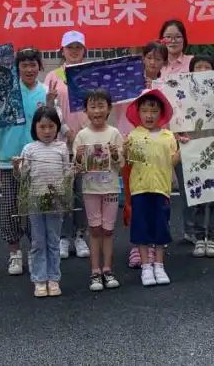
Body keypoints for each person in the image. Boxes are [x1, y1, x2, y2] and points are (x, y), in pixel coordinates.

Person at [0, 48, 50, 275]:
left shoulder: (46, 92)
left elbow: (53, 125)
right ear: (17, 68)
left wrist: (51, 104)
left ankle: (35, 250)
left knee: (35, 208)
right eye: (24, 65)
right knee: (10, 207)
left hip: (37, 160)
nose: (29, 69)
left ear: (40, 67)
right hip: (9, 158)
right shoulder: (5, 92)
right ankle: (14, 253)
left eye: (33, 65)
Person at [43, 29, 91, 261]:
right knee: (62, 192)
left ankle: (80, 235)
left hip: (86, 143)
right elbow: (48, 109)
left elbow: (99, 105)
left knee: (83, 191)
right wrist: (65, 131)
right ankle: (62, 237)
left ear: (84, 50)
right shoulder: (53, 76)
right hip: (61, 144)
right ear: (62, 50)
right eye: (69, 47)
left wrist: (85, 134)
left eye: (78, 47)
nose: (73, 51)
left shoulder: (90, 74)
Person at [124, 88, 179, 287]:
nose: (149, 115)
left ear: (161, 113)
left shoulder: (168, 136)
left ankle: (159, 264)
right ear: (138, 112)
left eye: (154, 111)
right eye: (145, 111)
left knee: (161, 226)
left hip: (161, 189)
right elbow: (129, 162)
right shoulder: (133, 136)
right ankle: (146, 266)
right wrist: (123, 149)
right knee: (141, 227)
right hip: (140, 189)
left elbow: (172, 161)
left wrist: (183, 148)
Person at [16, 106, 71, 297]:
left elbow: (66, 173)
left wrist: (73, 175)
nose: (47, 131)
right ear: (35, 128)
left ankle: (54, 278)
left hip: (56, 200)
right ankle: (39, 279)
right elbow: (23, 175)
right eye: (42, 127)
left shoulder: (62, 148)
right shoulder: (29, 149)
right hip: (35, 199)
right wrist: (17, 166)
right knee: (38, 241)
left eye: (51, 126)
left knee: (54, 240)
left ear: (57, 127)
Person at [72, 89, 123, 291]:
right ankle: (95, 271)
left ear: (109, 109)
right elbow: (77, 168)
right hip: (90, 189)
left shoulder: (114, 133)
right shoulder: (82, 135)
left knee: (108, 230)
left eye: (101, 106)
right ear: (85, 111)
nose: (97, 111)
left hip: (110, 188)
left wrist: (115, 154)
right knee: (94, 230)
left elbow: (121, 164)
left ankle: (108, 269)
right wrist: (78, 156)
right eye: (92, 107)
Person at [125, 40, 169, 268]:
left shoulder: (170, 83)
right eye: (149, 57)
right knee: (134, 196)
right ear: (143, 59)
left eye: (158, 58)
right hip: (132, 142)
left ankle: (154, 245)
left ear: (164, 62)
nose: (153, 62)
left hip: (158, 145)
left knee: (157, 199)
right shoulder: (130, 80)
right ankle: (137, 245)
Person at [174, 55, 214, 257]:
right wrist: (178, 136)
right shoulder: (183, 96)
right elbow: (175, 122)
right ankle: (199, 238)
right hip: (193, 150)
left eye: (207, 67)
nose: (202, 70)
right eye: (198, 67)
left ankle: (213, 238)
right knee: (197, 196)